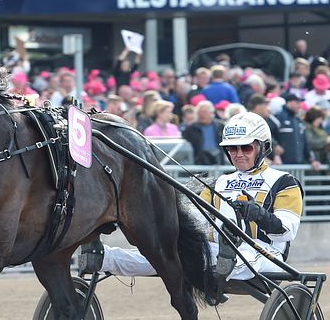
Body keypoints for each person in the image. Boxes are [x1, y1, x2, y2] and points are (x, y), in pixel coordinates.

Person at [96, 112, 304, 283]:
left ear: (263, 147)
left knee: (237, 258)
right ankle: (105, 257)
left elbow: (287, 231)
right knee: (165, 255)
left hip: (264, 252)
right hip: (217, 249)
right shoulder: (219, 182)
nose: (238, 153)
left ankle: (222, 263)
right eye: (232, 148)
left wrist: (259, 215)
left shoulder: (284, 182)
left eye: (246, 147)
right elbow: (197, 220)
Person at [183, 100, 224, 165]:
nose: (201, 115)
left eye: (204, 112)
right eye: (199, 112)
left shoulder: (221, 126)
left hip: (219, 160)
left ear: (211, 113)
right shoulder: (190, 129)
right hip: (199, 162)